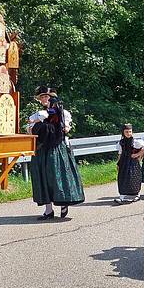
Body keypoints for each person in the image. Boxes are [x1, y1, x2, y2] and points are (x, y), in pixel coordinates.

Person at [26, 86, 85, 220]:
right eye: (42, 97)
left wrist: (50, 123)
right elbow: (29, 131)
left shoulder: (62, 113)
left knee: (58, 178)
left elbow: (65, 129)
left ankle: (64, 203)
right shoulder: (37, 115)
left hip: (57, 148)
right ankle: (48, 210)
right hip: (42, 148)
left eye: (46, 97)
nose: (44, 99)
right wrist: (39, 124)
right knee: (43, 178)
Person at [115, 124, 144, 204]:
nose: (128, 133)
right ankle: (122, 196)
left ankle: (136, 195)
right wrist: (118, 163)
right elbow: (120, 153)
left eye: (130, 132)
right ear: (123, 132)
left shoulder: (136, 142)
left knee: (134, 178)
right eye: (126, 132)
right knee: (122, 178)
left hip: (133, 162)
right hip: (123, 161)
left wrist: (137, 154)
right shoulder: (121, 143)